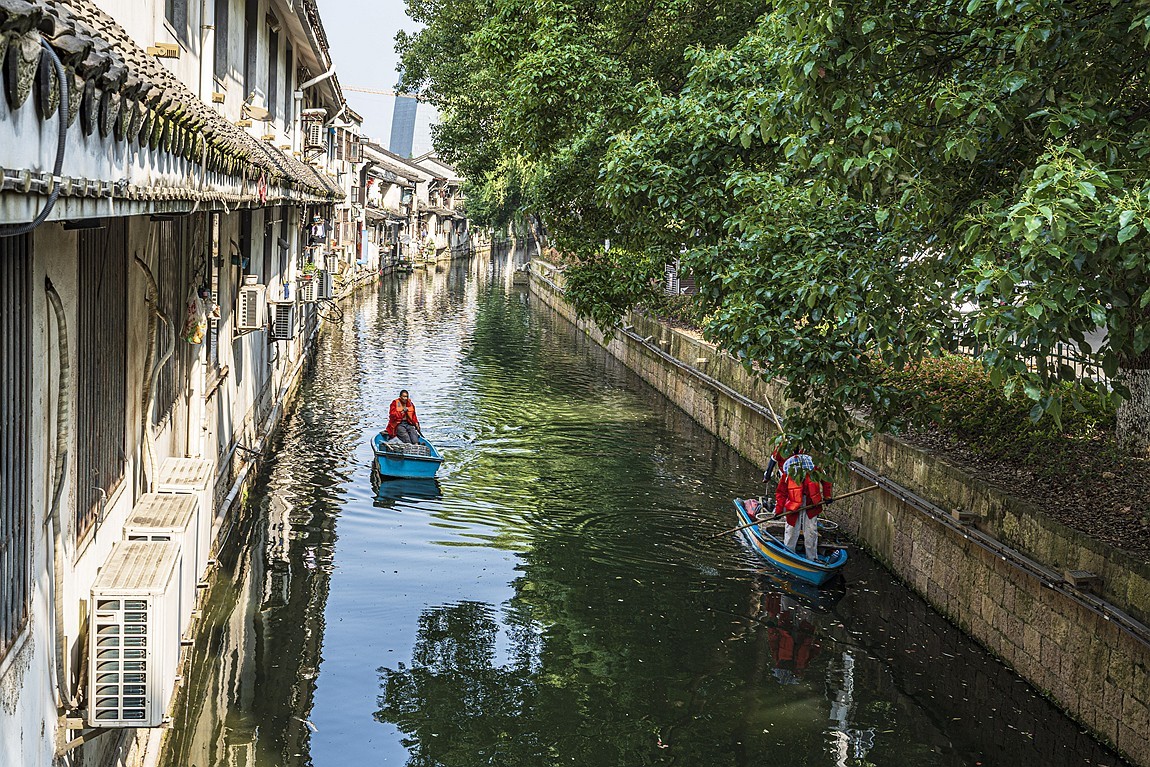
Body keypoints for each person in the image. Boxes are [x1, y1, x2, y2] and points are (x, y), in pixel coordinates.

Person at [772, 450, 833, 561]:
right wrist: (778, 510)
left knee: (811, 531)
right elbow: (781, 493)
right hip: (793, 504)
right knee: (791, 531)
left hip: (811, 503)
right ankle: (788, 556)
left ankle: (812, 558)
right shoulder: (788, 473)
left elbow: (826, 481)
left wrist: (827, 496)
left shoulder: (814, 469)